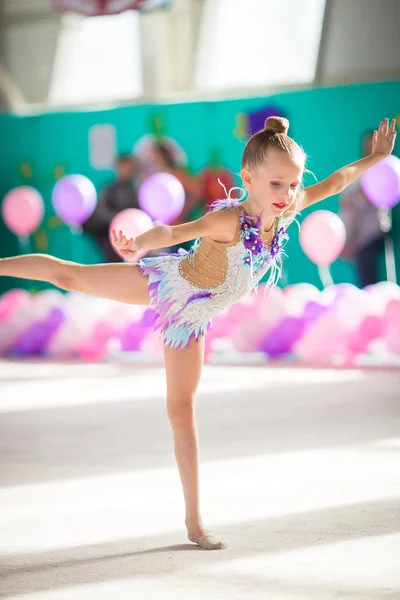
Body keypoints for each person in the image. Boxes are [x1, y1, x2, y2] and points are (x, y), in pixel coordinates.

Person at [1, 116, 396, 550]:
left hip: (194, 317)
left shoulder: (290, 208)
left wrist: (377, 158)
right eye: (276, 184)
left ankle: (194, 521)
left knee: (181, 411)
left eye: (293, 185)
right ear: (248, 178)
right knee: (72, 276)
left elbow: (338, 181)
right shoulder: (229, 220)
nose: (286, 195)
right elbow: (174, 231)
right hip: (169, 283)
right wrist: (141, 243)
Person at [339, 132, 387, 287]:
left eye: (373, 143)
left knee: (371, 287)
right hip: (356, 240)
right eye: (367, 144)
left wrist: (354, 240)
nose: (370, 148)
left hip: (368, 238)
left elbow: (366, 203)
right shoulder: (359, 171)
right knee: (364, 284)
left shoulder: (381, 173)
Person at [84, 154, 140, 262]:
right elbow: (101, 211)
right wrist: (118, 219)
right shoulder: (109, 188)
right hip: (109, 233)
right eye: (122, 167)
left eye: (128, 167)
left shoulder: (137, 188)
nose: (125, 170)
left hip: (133, 233)